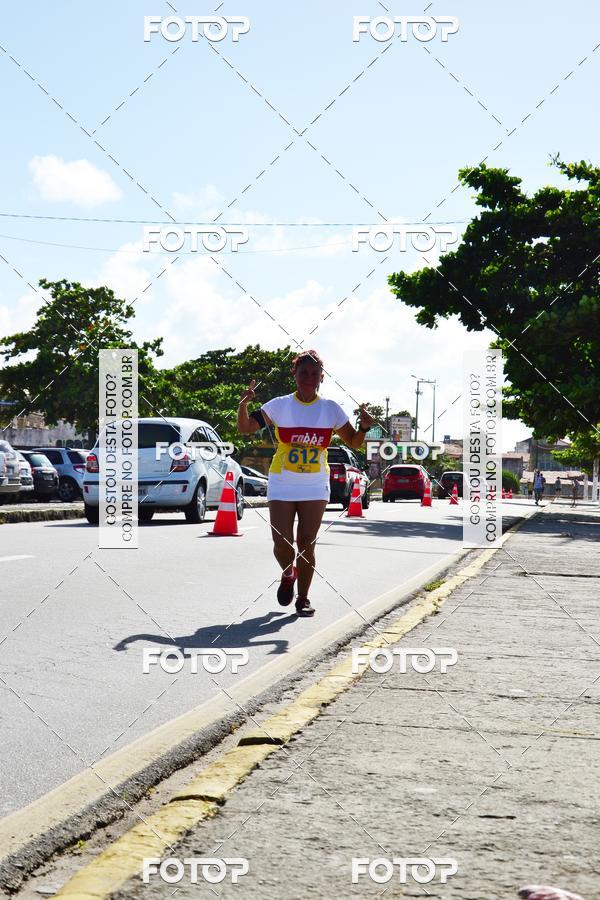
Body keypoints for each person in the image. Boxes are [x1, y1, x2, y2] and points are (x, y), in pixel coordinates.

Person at [237, 350, 374, 617]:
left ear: (322, 378)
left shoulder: (330, 409)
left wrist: (364, 428)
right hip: (282, 481)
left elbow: (354, 442)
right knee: (281, 543)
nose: (309, 379)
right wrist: (244, 403)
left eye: (314, 374)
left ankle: (303, 598)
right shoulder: (279, 405)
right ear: (295, 375)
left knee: (307, 542)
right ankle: (289, 573)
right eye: (304, 373)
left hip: (314, 484)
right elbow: (245, 428)